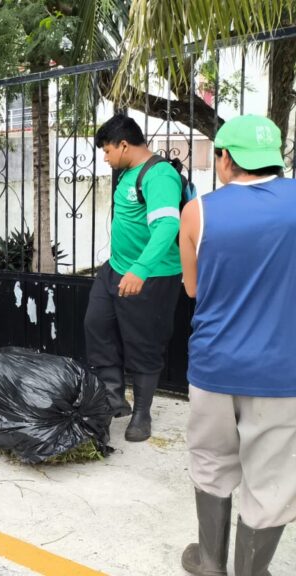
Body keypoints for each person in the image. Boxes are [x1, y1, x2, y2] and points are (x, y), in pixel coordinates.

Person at [178, 115, 295, 576]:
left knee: (210, 460)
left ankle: (210, 563)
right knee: (273, 476)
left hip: (214, 364)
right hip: (283, 371)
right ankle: (252, 571)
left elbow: (192, 289)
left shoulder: (198, 211)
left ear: (225, 160)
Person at [86, 113, 183, 442]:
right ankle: (115, 397)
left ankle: (142, 413)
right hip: (115, 268)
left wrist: (140, 269)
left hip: (151, 275)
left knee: (143, 344)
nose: (105, 156)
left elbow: (168, 225)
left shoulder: (158, 175)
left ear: (124, 145)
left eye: (107, 150)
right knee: (96, 325)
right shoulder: (126, 173)